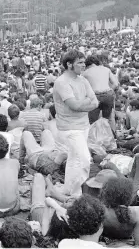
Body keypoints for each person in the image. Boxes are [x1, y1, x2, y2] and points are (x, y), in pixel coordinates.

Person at [53, 50, 98, 197]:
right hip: (69, 127)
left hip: (83, 125)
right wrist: (85, 103)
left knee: (74, 159)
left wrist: (82, 104)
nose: (83, 65)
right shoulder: (62, 82)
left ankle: (68, 189)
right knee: (84, 159)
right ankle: (78, 193)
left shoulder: (83, 80)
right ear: (69, 64)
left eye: (84, 62)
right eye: (79, 62)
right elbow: (74, 105)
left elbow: (95, 102)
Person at [83, 54, 119, 124]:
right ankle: (109, 134)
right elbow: (115, 84)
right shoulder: (106, 69)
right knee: (107, 120)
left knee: (92, 121)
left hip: (94, 96)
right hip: (108, 95)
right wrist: (110, 91)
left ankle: (94, 134)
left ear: (87, 64)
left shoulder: (85, 73)